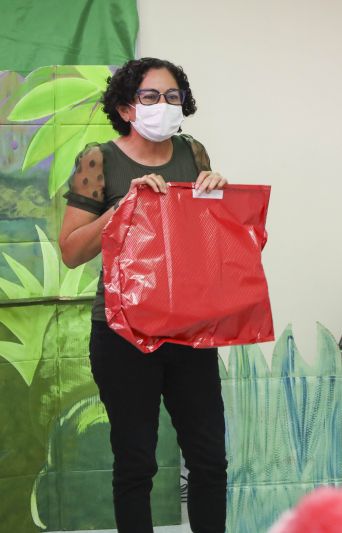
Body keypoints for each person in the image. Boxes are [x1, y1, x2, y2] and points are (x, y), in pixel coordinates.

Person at [58, 58, 228, 533]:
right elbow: (71, 251)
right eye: (150, 97)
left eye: (172, 96)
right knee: (136, 464)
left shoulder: (192, 153)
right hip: (122, 331)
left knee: (210, 458)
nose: (163, 105)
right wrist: (121, 208)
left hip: (190, 328)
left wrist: (218, 199)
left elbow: (209, 242)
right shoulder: (100, 159)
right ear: (126, 107)